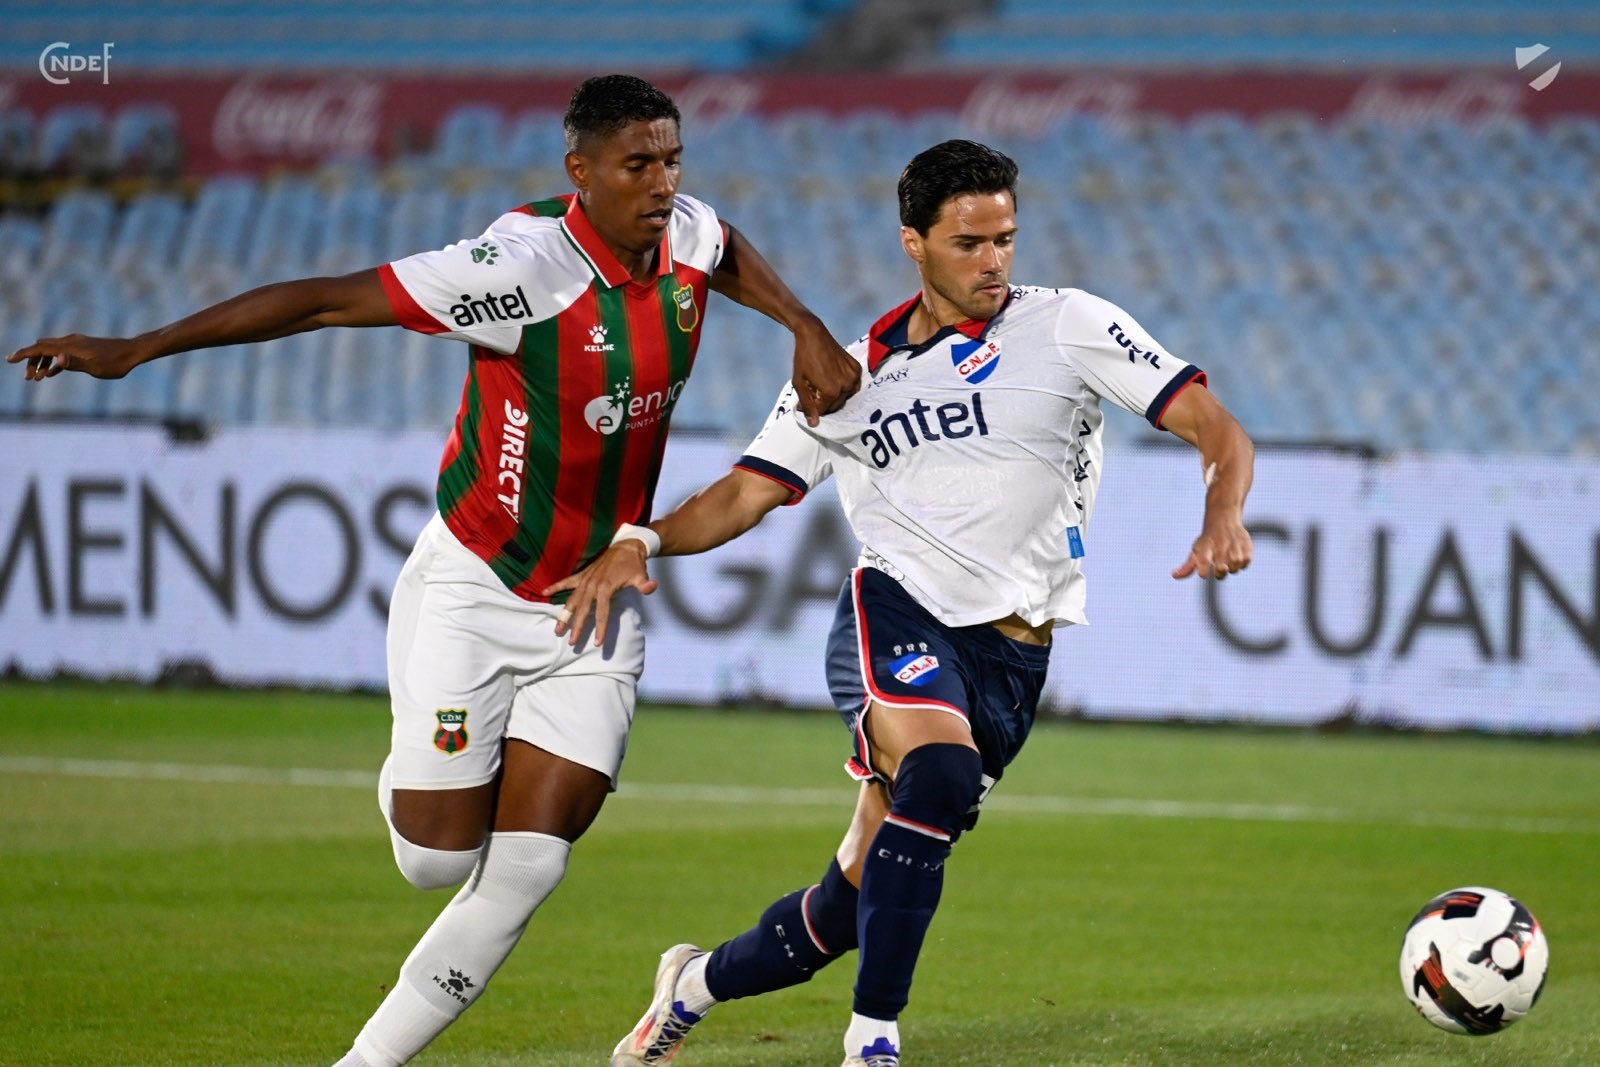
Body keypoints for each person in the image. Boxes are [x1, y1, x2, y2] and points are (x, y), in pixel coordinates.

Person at [7, 74, 860, 1067]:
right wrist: (139, 348)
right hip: (474, 587)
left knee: (532, 862)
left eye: (671, 160)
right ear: (579, 173)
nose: (663, 182)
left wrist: (800, 323)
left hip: (594, 599)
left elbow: (727, 251)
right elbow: (324, 301)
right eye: (638, 165)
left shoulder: (686, 232)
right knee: (436, 856)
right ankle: (428, 747)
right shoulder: (517, 270)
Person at [547, 139, 1256, 1067]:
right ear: (912, 243)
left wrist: (1222, 512)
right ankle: (873, 1040)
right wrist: (645, 538)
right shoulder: (846, 374)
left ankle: (692, 984)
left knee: (844, 909)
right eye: (969, 242)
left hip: (1013, 658)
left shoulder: (1070, 326)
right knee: (941, 776)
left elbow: (1213, 423)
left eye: (1005, 238)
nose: (994, 259)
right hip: (898, 612)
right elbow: (748, 490)